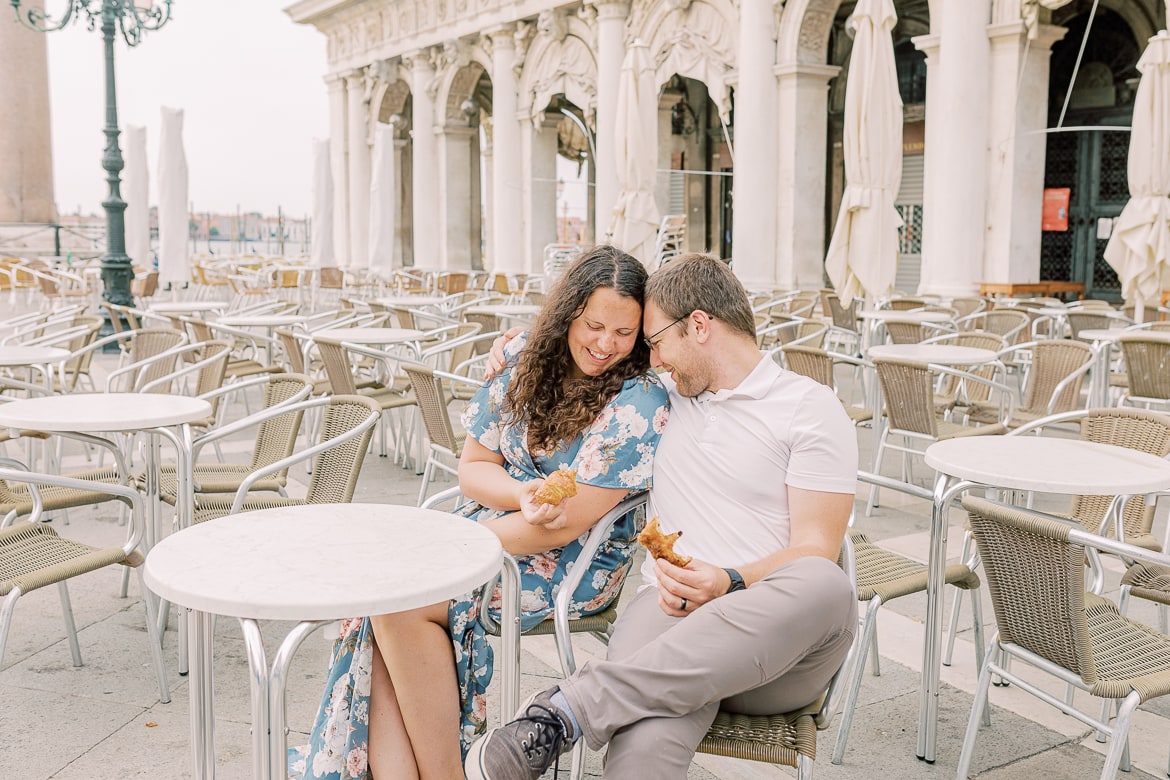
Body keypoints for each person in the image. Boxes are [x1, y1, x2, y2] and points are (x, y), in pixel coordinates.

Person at [465, 253, 859, 779]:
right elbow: (582, 350)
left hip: (775, 646)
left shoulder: (810, 408)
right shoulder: (661, 396)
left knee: (825, 582)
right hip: (671, 616)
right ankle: (574, 712)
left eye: (655, 341)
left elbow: (816, 545)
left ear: (698, 326)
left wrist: (728, 580)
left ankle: (570, 709)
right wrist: (515, 345)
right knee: (645, 742)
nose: (649, 359)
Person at [289, 245, 670, 780]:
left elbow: (562, 524)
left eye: (623, 333)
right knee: (385, 598)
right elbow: (474, 466)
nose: (605, 343)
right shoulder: (521, 358)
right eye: (593, 325)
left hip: (570, 564)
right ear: (568, 316)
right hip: (489, 530)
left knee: (398, 604)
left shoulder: (639, 399)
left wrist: (450, 553)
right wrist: (518, 496)